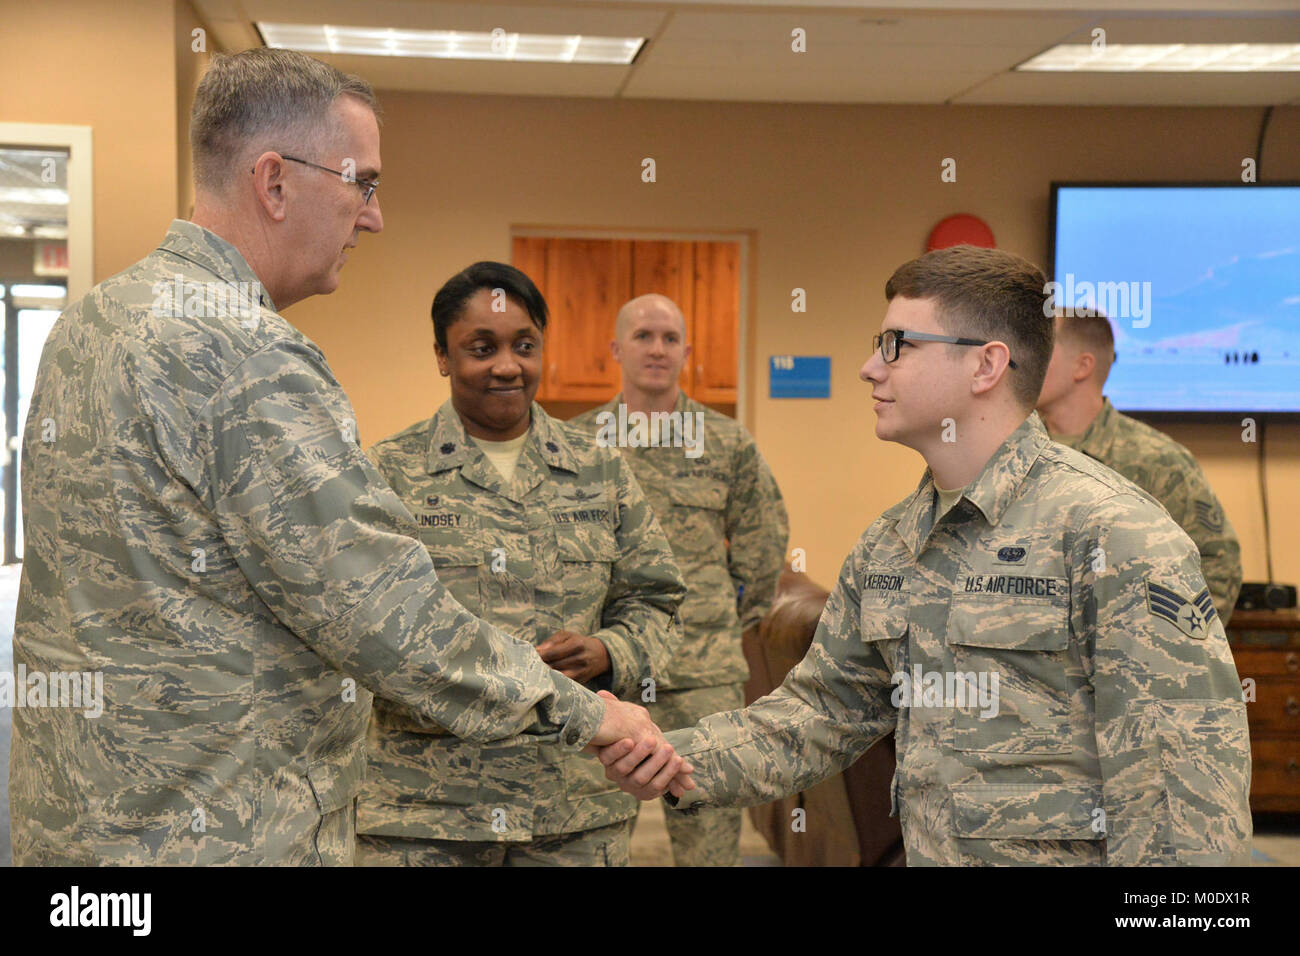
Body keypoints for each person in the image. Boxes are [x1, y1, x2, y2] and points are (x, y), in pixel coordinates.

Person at [8, 49, 686, 867]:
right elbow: (386, 618)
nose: (374, 217)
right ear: (275, 182)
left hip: (78, 826)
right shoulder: (251, 356)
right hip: (219, 829)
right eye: (362, 182)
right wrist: (590, 713)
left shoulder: (89, 325)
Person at [600, 246, 1252, 866]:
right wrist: (666, 754)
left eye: (897, 346)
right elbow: (818, 715)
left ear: (986, 366)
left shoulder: (1111, 532)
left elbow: (1184, 794)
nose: (870, 367)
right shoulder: (892, 544)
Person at [355, 263, 685, 866]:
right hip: (426, 812)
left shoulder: (600, 470)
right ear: (442, 356)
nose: (507, 365)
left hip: (573, 809)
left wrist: (612, 651)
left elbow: (657, 602)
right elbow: (367, 632)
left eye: (524, 346)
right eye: (482, 348)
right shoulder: (388, 473)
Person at [571, 293, 788, 866]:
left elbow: (762, 550)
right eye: (643, 336)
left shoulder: (726, 443)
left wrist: (719, 621)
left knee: (709, 844)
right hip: (602, 675)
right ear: (617, 349)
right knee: (584, 836)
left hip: (702, 674)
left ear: (687, 352)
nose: (657, 349)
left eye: (670, 338)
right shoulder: (576, 444)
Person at [1036, 308, 1243, 623]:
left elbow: (1217, 566)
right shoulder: (1011, 451)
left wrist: (1169, 650)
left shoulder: (1157, 461)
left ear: (1082, 366)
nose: (1026, 362)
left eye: (1041, 349)